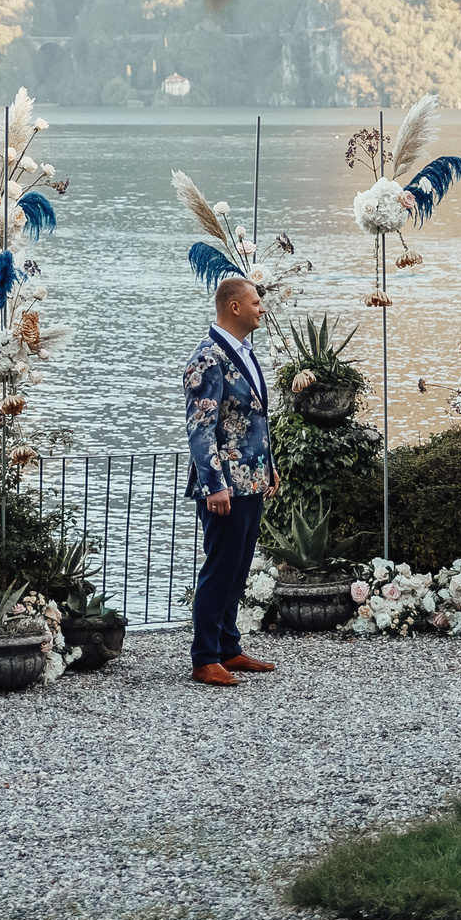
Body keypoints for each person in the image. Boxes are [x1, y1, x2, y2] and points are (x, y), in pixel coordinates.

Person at [183, 275, 280, 687]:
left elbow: (255, 419)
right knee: (220, 568)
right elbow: (200, 429)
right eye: (256, 302)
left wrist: (270, 466)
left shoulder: (244, 351)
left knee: (239, 567)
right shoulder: (207, 358)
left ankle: (228, 648)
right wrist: (214, 485)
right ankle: (205, 657)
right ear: (235, 307)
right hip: (225, 485)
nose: (262, 308)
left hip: (252, 479)